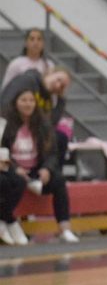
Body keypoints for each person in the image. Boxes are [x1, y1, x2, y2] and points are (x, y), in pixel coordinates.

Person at [1, 89, 78, 243]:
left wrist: (47, 169)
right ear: (16, 103)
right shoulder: (7, 124)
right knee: (14, 181)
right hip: (13, 169)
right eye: (23, 100)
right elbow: (3, 150)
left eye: (31, 100)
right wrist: (15, 168)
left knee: (59, 181)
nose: (28, 104)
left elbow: (52, 153)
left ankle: (64, 228)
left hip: (36, 171)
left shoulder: (43, 124)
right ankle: (8, 220)